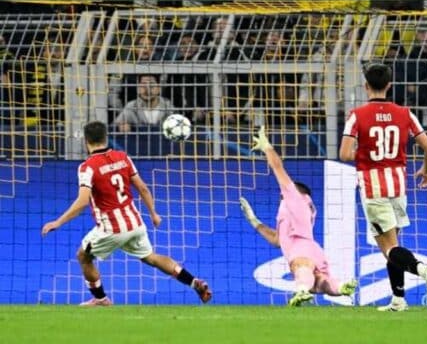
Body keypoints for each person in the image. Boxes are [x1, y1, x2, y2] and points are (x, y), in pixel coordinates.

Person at [41, 121, 212, 306]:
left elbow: (82, 201)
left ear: (86, 141)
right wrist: (153, 213)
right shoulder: (123, 157)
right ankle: (194, 282)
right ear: (106, 137)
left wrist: (57, 222)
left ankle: (101, 299)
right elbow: (143, 188)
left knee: (83, 256)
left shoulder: (87, 167)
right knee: (151, 257)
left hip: (111, 228)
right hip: (135, 223)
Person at [339, 63, 427, 311]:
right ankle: (398, 300)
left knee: (389, 247)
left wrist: (366, 153)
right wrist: (425, 170)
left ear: (365, 86)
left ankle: (423, 269)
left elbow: (344, 154)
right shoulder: (405, 113)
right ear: (389, 85)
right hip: (398, 186)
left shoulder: (357, 115)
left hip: (373, 188)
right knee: (391, 244)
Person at [242, 126, 358, 306]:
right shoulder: (294, 212)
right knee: (320, 283)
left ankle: (302, 290)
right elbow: (276, 239)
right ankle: (341, 287)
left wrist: (266, 147)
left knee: (300, 267)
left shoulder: (296, 199)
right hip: (313, 250)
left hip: (302, 250)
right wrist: (253, 220)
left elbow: (278, 168)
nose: (282, 193)